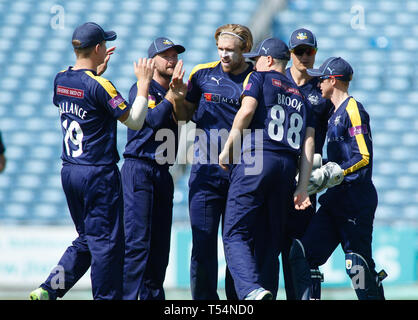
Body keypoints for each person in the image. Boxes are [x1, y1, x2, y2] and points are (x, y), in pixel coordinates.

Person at [29, 22, 155, 300]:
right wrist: (144, 85)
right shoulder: (102, 85)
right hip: (98, 174)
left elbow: (78, 97)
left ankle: (50, 289)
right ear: (98, 49)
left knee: (87, 238)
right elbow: (133, 121)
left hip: (69, 171)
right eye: (104, 45)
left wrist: (94, 76)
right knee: (107, 246)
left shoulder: (60, 78)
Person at [218, 37, 315, 300]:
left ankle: (250, 290)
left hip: (256, 159)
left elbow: (247, 109)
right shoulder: (303, 97)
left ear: (269, 60)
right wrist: (303, 187)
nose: (254, 64)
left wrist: (228, 148)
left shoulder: (258, 78)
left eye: (257, 59)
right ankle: (264, 290)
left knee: (235, 232)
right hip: (286, 169)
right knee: (269, 241)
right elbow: (309, 144)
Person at [289, 57, 386, 300]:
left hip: (356, 199)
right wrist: (321, 179)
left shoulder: (353, 109)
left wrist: (334, 173)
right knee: (303, 254)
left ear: (333, 80)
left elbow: (363, 156)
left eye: (322, 78)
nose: (318, 83)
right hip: (335, 200)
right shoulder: (333, 114)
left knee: (357, 266)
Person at [170, 24, 254, 300]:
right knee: (203, 243)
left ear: (245, 49)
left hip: (241, 173)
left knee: (237, 244)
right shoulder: (202, 73)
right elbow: (184, 117)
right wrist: (179, 97)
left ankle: (237, 300)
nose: (224, 55)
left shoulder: (255, 78)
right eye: (220, 49)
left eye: (230, 50)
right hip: (204, 172)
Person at [121, 37, 186, 300]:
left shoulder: (177, 92)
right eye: (165, 55)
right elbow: (152, 121)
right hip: (140, 168)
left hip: (162, 172)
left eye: (174, 55)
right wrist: (172, 96)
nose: (171, 60)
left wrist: (178, 98)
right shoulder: (141, 89)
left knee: (160, 248)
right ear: (152, 61)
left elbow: (185, 122)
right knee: (137, 244)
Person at [282, 28, 334, 300]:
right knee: (269, 248)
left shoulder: (322, 88)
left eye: (309, 51)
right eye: (298, 51)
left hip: (307, 177)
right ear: (290, 54)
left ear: (316, 52)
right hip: (276, 173)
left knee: (299, 250)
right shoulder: (276, 81)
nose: (304, 56)